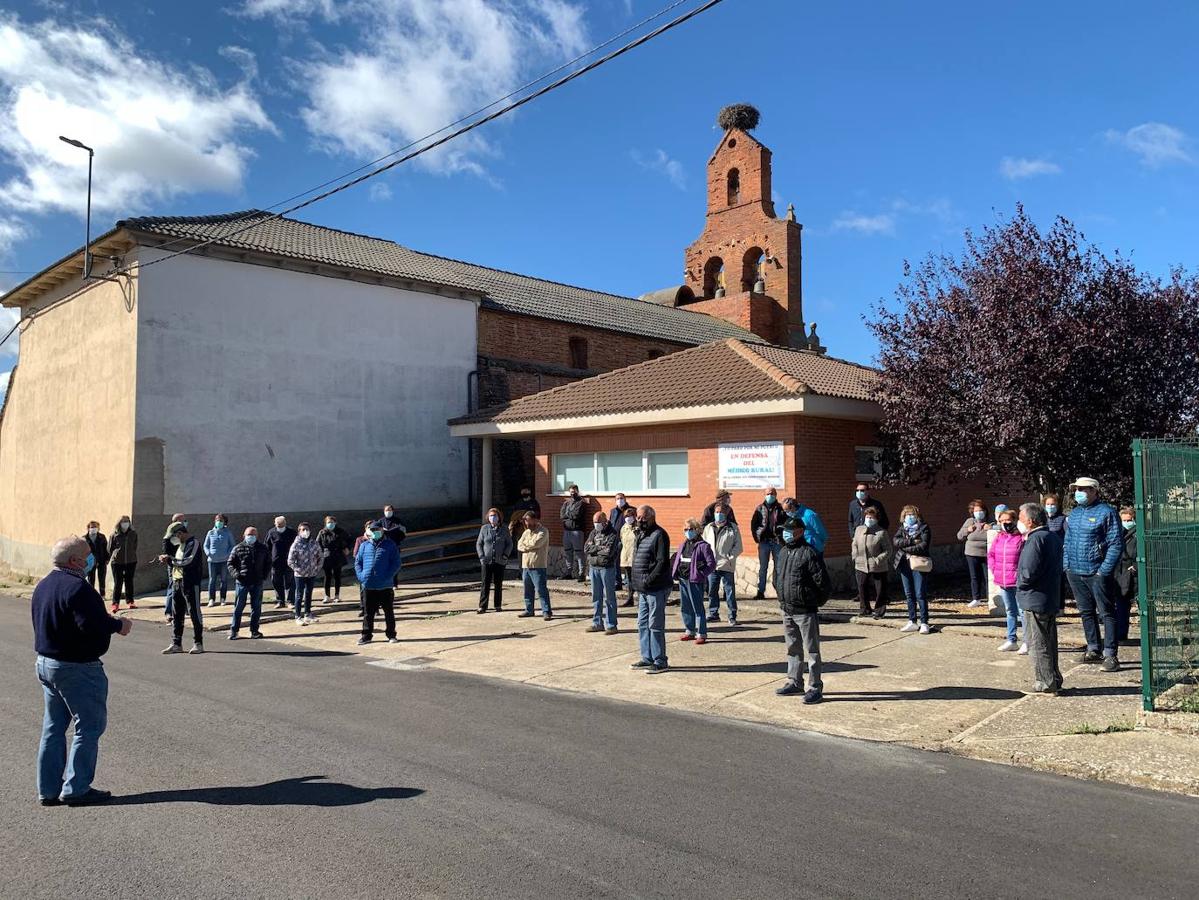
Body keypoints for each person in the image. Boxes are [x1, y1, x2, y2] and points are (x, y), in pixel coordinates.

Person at [32, 535, 133, 807]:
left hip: (47, 663)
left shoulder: (44, 585)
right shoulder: (78, 588)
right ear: (75, 560)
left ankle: (48, 789)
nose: (93, 558)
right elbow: (92, 625)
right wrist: (118, 625)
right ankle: (76, 788)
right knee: (88, 727)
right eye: (89, 554)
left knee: (53, 727)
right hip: (76, 667)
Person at [1063, 477, 1123, 671]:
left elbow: (1115, 544)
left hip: (1096, 572)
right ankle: (1093, 649)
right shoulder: (1074, 513)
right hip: (1075, 571)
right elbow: (1068, 541)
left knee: (1106, 612)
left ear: (1095, 491)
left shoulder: (1107, 512)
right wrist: (1067, 565)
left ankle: (1111, 654)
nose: (1079, 492)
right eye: (1077, 489)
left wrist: (1103, 570)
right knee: (1086, 611)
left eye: (1084, 489)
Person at [773, 516, 830, 702]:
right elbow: (777, 577)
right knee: (793, 648)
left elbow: (822, 582)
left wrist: (813, 602)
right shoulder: (782, 552)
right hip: (786, 609)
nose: (786, 533)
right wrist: (782, 597)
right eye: (784, 530)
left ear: (800, 532)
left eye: (790, 530)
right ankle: (794, 681)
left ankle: (815, 687)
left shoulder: (809, 553)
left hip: (805, 610)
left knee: (812, 650)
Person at [1016, 503, 1065, 694]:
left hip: (1035, 599)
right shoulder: (1051, 536)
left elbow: (1028, 572)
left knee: (1038, 643)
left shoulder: (1036, 539)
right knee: (1049, 642)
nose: (1018, 522)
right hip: (1049, 597)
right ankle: (1054, 677)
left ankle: (1045, 682)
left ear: (1030, 520)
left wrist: (1019, 584)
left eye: (1020, 518)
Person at [630, 505, 671, 674]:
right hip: (643, 589)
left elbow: (662, 562)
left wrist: (648, 580)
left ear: (652, 517)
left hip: (656, 588)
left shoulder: (659, 535)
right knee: (642, 624)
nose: (639, 521)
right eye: (638, 518)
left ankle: (660, 660)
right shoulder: (640, 535)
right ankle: (647, 658)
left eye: (642, 518)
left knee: (655, 625)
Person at [159, 522, 205, 655]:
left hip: (190, 583)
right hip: (177, 582)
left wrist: (170, 560)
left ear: (180, 534)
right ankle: (176, 643)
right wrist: (167, 556)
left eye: (174, 536)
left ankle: (198, 643)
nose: (173, 539)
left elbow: (188, 561)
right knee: (177, 614)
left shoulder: (193, 543)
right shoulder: (179, 545)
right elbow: (168, 549)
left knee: (194, 613)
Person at [355, 523, 402, 645]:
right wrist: (362, 577)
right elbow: (358, 562)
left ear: (382, 530)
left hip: (385, 585)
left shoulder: (390, 545)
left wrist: (388, 576)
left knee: (388, 612)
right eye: (373, 530)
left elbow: (396, 563)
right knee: (368, 613)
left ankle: (391, 635)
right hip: (368, 584)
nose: (375, 532)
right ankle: (366, 636)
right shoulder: (364, 545)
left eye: (378, 529)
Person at [672, 517, 716, 644]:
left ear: (697, 530)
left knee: (697, 607)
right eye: (685, 529)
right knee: (685, 606)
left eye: (690, 529)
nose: (687, 531)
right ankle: (689, 630)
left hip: (695, 580)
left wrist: (702, 574)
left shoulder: (703, 546)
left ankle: (701, 633)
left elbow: (711, 564)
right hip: (683, 579)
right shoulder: (683, 545)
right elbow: (678, 560)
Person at [988, 507, 1026, 653]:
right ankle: (1011, 639)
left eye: (1008, 520)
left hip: (1017, 580)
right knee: (1010, 611)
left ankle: (1027, 641)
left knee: (1022, 612)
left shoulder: (1021, 537)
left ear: (1015, 521)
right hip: (1002, 580)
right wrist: (994, 569)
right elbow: (991, 555)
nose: (1005, 523)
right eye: (1002, 521)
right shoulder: (999, 537)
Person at [893, 505, 932, 634]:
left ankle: (924, 622)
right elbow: (896, 541)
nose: (910, 517)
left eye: (912, 514)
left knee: (920, 593)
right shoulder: (902, 528)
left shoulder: (924, 528)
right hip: (904, 563)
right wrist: (911, 541)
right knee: (909, 594)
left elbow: (923, 546)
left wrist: (905, 547)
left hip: (918, 563)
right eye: (907, 515)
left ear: (917, 516)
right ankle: (912, 621)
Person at [227, 526, 270, 640]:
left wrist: (264, 576)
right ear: (244, 536)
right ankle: (234, 631)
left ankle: (254, 631)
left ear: (257, 536)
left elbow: (268, 563)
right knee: (238, 607)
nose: (251, 537)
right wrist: (237, 575)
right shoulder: (238, 548)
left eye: (253, 535)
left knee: (256, 607)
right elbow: (230, 563)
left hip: (257, 582)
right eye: (249, 535)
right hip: (242, 582)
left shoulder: (263, 548)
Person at [703, 502, 743, 625]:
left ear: (726, 513)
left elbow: (739, 546)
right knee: (712, 591)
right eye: (716, 512)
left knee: (729, 592)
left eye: (721, 512)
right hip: (712, 565)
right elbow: (703, 544)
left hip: (726, 564)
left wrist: (729, 557)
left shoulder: (733, 528)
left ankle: (732, 616)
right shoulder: (709, 527)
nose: (719, 514)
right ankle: (714, 614)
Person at [584, 510, 621, 634]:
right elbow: (586, 548)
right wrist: (599, 548)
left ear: (605, 521)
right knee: (596, 597)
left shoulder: (613, 533)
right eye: (595, 522)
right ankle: (597, 623)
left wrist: (595, 551)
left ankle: (611, 625)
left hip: (607, 569)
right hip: (594, 568)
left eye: (598, 522)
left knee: (609, 597)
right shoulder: (593, 532)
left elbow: (609, 552)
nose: (596, 525)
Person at [851, 506, 891, 618]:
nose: (869, 519)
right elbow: (854, 543)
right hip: (860, 563)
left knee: (880, 589)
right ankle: (864, 609)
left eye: (871, 517)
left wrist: (878, 559)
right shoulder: (859, 529)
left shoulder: (881, 532)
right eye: (867, 517)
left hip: (878, 565)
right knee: (862, 586)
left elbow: (888, 550)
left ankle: (879, 610)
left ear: (876, 519)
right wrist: (854, 554)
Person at [750, 486, 786, 599]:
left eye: (772, 493)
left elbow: (786, 524)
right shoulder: (759, 508)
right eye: (767, 493)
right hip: (764, 542)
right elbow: (753, 524)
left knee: (779, 568)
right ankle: (761, 591)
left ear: (775, 495)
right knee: (763, 567)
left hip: (777, 542)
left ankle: (780, 591)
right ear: (764, 495)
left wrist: (782, 538)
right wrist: (757, 538)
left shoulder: (780, 509)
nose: (769, 495)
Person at [476, 507, 513, 613]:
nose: (493, 518)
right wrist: (481, 556)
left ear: (499, 517)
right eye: (491, 516)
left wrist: (505, 555)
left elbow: (509, 544)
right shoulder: (484, 528)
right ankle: (483, 606)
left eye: (495, 516)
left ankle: (497, 605)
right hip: (486, 561)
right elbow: (479, 543)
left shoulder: (504, 529)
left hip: (500, 561)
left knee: (498, 583)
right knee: (485, 583)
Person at [516, 511, 552, 620]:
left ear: (535, 520)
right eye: (526, 521)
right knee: (527, 589)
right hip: (526, 566)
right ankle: (529, 609)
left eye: (529, 521)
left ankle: (546, 611)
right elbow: (519, 545)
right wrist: (527, 546)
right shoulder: (526, 532)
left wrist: (526, 546)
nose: (527, 523)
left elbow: (536, 544)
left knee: (541, 589)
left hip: (538, 565)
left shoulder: (543, 531)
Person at [288, 522, 323, 626]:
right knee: (299, 595)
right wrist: (298, 569)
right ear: (299, 531)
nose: (305, 531)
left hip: (312, 573)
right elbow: (290, 561)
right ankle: (298, 616)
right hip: (300, 575)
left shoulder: (314, 543)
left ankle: (308, 614)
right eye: (303, 529)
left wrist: (317, 568)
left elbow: (320, 556)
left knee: (309, 594)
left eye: (307, 529)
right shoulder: (296, 544)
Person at [957, 499, 990, 608]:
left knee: (988, 577)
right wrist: (968, 530)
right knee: (974, 576)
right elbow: (959, 536)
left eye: (981, 510)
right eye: (976, 511)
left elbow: (998, 532)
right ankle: (976, 598)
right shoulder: (969, 521)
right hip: (971, 553)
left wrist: (991, 529)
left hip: (987, 553)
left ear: (985, 511)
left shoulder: (991, 522)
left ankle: (990, 598)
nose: (979, 513)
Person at [1114, 507, 1138, 644]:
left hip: (1133, 573)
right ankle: (1121, 634)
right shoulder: (1118, 533)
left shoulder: (1138, 534)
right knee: (1121, 606)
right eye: (1124, 520)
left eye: (1129, 520)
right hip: (1120, 573)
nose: (1127, 522)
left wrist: (1135, 567)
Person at [318, 515, 352, 604]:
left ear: (335, 523)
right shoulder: (322, 532)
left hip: (338, 556)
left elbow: (349, 540)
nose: (330, 524)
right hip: (327, 557)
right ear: (325, 523)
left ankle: (337, 595)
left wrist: (347, 548)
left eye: (332, 522)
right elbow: (318, 544)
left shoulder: (341, 532)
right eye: (328, 522)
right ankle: (327, 596)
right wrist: (319, 554)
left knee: (337, 576)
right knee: (327, 576)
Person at [265, 516, 297, 610]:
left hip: (289, 562)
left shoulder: (292, 532)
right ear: (275, 524)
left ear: (285, 523)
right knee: (276, 582)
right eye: (278, 525)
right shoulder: (271, 532)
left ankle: (290, 601)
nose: (280, 526)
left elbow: (296, 546)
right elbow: (267, 546)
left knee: (290, 582)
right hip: (276, 562)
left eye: (281, 524)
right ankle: (280, 601)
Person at [108, 515, 138, 613]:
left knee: (129, 581)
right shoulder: (114, 535)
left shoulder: (133, 534)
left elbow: (135, 546)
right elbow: (109, 549)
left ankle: (130, 601)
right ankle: (115, 603)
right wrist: (114, 555)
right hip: (117, 562)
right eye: (123, 521)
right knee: (118, 582)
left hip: (131, 561)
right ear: (119, 523)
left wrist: (131, 554)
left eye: (127, 521)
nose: (125, 523)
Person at [203, 514, 234, 608]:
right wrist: (208, 553)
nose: (219, 522)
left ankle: (223, 598)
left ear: (224, 522)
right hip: (212, 561)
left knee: (224, 580)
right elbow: (205, 545)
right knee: (212, 580)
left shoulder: (228, 533)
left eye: (221, 520)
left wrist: (227, 555)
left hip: (224, 561)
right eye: (217, 520)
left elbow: (232, 545)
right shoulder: (210, 532)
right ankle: (211, 599)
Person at [559, 484, 589, 582]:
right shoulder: (567, 503)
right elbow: (561, 515)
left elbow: (576, 515)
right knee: (568, 552)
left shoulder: (581, 502)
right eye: (571, 492)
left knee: (579, 553)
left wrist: (567, 515)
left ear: (577, 491)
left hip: (577, 531)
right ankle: (568, 572)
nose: (572, 493)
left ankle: (581, 573)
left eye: (574, 491)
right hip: (567, 531)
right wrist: (568, 515)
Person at [160, 513, 187, 621]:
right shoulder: (168, 538)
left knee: (184, 588)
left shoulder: (185, 536)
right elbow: (166, 552)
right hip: (173, 566)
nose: (185, 523)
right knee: (173, 587)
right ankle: (169, 612)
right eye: (182, 521)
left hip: (183, 565)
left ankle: (184, 610)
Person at [374, 505, 407, 587]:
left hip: (394, 546)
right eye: (386, 510)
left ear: (393, 511)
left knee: (394, 564)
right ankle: (385, 582)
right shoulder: (381, 521)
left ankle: (395, 583)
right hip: (383, 546)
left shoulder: (398, 521)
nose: (388, 512)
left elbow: (403, 532)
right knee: (384, 564)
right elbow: (374, 529)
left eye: (390, 510)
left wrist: (397, 539)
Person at [352, 519, 374, 618]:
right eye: (368, 527)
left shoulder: (378, 539)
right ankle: (363, 608)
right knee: (363, 590)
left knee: (375, 589)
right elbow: (355, 554)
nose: (370, 529)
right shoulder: (360, 540)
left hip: (375, 568)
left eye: (372, 528)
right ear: (365, 528)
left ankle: (375, 608)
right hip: (364, 568)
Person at [83, 521, 109, 599]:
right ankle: (92, 595)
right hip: (90, 562)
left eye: (95, 527)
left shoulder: (102, 537)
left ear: (98, 528)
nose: (94, 528)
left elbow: (106, 548)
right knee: (91, 579)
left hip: (101, 560)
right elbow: (82, 551)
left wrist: (107, 558)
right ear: (88, 528)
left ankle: (102, 595)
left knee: (102, 578)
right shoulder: (84, 538)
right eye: (92, 527)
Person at [619, 508, 637, 608]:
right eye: (626, 516)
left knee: (637, 579)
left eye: (630, 516)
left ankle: (642, 599)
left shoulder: (638, 527)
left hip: (636, 558)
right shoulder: (624, 528)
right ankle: (630, 599)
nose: (628, 518)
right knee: (629, 580)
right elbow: (622, 540)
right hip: (626, 557)